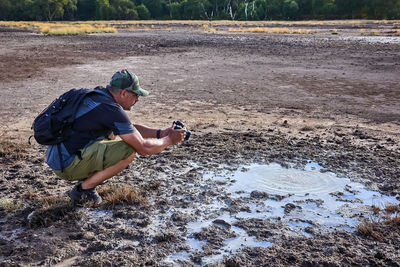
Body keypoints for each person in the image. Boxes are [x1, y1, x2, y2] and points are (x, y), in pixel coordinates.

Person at [46, 69, 186, 204]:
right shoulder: (110, 109)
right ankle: (84, 189)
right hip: (66, 164)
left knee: (116, 132)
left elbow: (130, 128)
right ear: (124, 93)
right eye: (136, 95)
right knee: (129, 149)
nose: (137, 99)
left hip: (57, 156)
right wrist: (169, 140)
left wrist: (161, 133)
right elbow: (144, 148)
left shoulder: (99, 97)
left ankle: (85, 178)